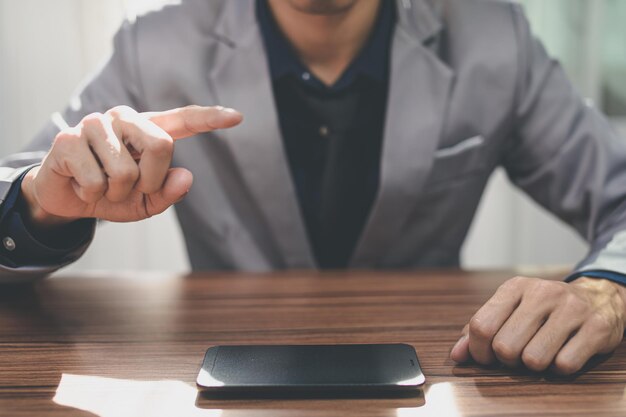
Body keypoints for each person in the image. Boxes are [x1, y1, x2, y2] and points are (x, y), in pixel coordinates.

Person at [0, 0, 625, 375]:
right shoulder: (155, 43)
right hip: (221, 374)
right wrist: (38, 204)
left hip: (445, 373)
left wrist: (610, 288)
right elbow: (23, 179)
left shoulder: (495, 37)